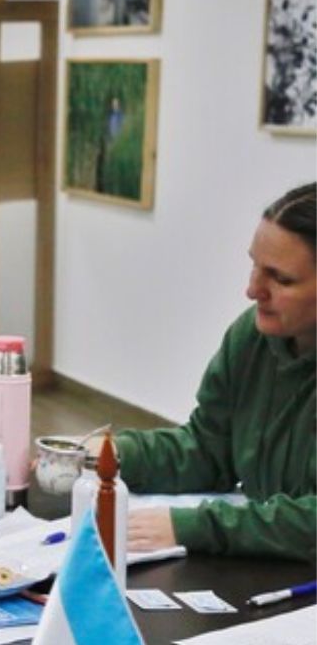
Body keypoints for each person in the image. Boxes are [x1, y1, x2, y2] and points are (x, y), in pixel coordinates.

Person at [113, 181, 315, 562]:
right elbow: (209, 450)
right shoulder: (253, 336)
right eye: (254, 265)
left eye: (281, 279)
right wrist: (113, 455)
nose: (253, 290)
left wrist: (193, 527)